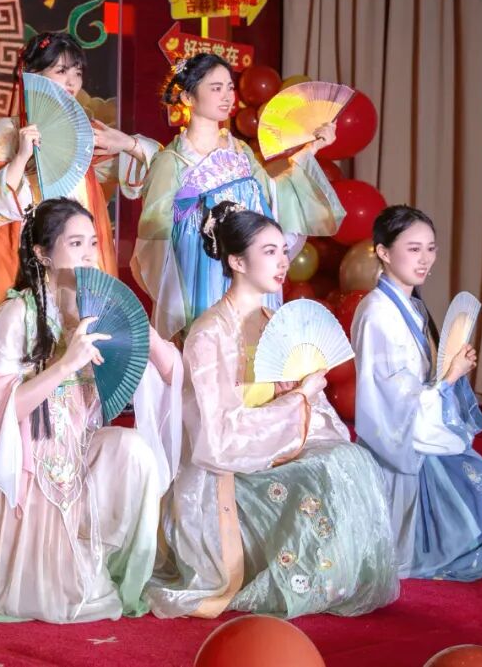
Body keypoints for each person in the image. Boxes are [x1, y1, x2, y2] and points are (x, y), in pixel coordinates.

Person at [0, 198, 183, 623]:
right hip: (20, 459)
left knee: (134, 451)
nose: (89, 255)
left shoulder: (98, 310)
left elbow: (172, 373)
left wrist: (141, 329)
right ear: (42, 254)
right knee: (58, 599)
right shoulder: (15, 315)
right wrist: (65, 365)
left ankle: (108, 557)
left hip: (74, 449)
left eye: (93, 243)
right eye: (75, 244)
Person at [148, 201, 398, 619]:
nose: (283, 262)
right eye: (269, 252)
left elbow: (312, 416)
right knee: (332, 466)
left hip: (274, 446)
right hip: (227, 469)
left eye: (283, 251)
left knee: (349, 459)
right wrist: (296, 399)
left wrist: (299, 397)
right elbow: (217, 436)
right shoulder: (209, 333)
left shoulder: (273, 322)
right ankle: (296, 580)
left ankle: (331, 580)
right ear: (236, 261)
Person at [352, 204, 482, 580]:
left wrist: (451, 371)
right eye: (413, 248)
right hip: (403, 448)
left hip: (422, 436)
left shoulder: (409, 306)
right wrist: (449, 377)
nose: (425, 259)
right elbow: (391, 401)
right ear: (383, 252)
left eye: (430, 248)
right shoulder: (377, 313)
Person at [133, 53, 346, 341]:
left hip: (250, 274)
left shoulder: (240, 151)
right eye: (215, 88)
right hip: (203, 280)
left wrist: (311, 149)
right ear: (187, 97)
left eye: (230, 87)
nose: (227, 96)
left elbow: (272, 196)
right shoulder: (172, 161)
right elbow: (155, 238)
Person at [0, 31, 160, 305]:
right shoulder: (6, 131)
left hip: (82, 253)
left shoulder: (85, 133)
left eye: (77, 73)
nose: (72, 81)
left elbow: (161, 170)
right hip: (29, 252)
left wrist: (127, 143)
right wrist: (21, 157)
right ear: (33, 74)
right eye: (61, 71)